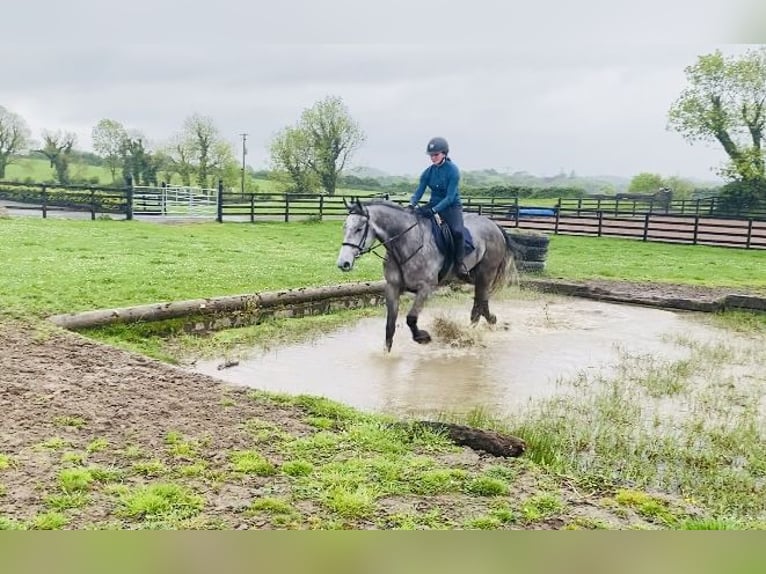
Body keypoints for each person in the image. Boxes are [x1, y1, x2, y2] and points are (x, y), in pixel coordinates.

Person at [409, 136, 470, 280]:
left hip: (451, 206)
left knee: (457, 231)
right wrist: (412, 203)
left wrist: (434, 211)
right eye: (431, 155)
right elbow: (419, 191)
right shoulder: (427, 172)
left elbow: (449, 197)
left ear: (444, 153)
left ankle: (460, 264)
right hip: (433, 203)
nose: (433, 158)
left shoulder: (453, 170)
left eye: (436, 154)